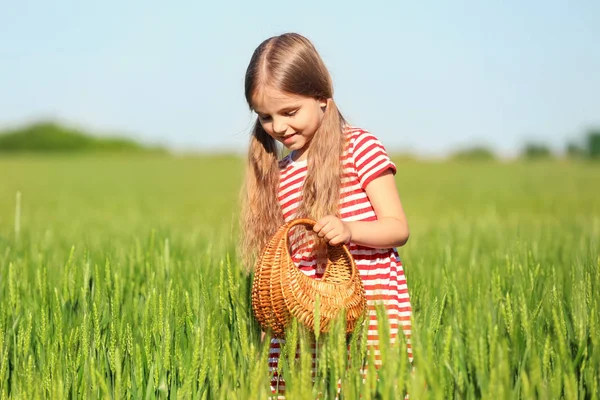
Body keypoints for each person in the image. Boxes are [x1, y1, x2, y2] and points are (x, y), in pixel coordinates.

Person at [240, 32, 413, 397]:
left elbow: (397, 228)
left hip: (368, 311)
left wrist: (349, 229)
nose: (279, 127)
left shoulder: (359, 148)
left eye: (289, 112)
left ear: (322, 98)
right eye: (266, 117)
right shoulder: (281, 174)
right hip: (307, 318)